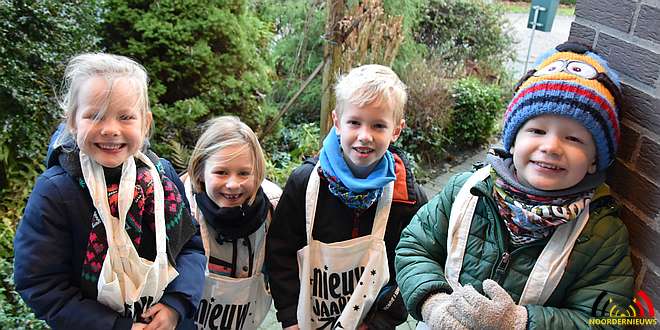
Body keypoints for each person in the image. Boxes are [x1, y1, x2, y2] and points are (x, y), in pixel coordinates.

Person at [395, 42, 634, 329]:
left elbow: (603, 320)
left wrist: (518, 322)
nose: (551, 147)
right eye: (537, 130)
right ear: (513, 139)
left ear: (595, 159)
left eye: (574, 139)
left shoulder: (600, 234)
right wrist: (432, 303)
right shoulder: (466, 191)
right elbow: (414, 248)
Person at [14, 53, 206, 329]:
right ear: (72, 121)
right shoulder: (56, 192)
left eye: (125, 117)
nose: (110, 129)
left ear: (145, 123)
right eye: (95, 116)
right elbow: (40, 283)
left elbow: (190, 247)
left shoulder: (162, 176)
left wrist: (176, 305)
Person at [267, 64, 428, 329]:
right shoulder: (305, 184)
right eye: (355, 122)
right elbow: (280, 252)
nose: (365, 136)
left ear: (396, 130)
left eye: (378, 126)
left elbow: (411, 266)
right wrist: (289, 317)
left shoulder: (405, 198)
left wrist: (379, 321)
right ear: (337, 121)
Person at [180, 116, 282, 329]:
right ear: (200, 172)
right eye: (221, 172)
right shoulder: (180, 204)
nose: (233, 184)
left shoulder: (274, 206)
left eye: (244, 173)